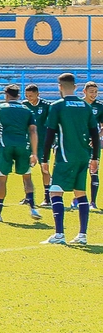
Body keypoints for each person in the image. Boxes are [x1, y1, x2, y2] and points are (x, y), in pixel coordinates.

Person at [39, 73, 99, 245]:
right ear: (75, 87)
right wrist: (95, 157)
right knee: (80, 193)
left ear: (59, 87)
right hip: (83, 155)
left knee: (55, 191)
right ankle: (82, 235)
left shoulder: (57, 106)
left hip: (66, 156)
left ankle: (59, 234)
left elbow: (50, 133)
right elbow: (95, 133)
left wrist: (45, 158)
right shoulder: (85, 106)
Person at [0, 84, 41, 222]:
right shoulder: (27, 110)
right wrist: (34, 153)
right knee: (27, 177)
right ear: (18, 95)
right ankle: (33, 207)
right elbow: (33, 131)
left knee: (2, 179)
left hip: (6, 146)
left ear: (6, 95)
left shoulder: (0, 108)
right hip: (23, 146)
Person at [24, 85, 53, 207]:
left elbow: (52, 123)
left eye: (31, 95)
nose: (28, 98)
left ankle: (48, 197)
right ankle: (28, 197)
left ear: (37, 94)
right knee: (25, 170)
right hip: (28, 143)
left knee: (44, 169)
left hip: (43, 143)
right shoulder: (24, 105)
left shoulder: (46, 106)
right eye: (26, 95)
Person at [86, 81, 102, 210]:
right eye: (91, 92)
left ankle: (93, 202)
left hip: (93, 145)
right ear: (84, 92)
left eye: (96, 92)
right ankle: (77, 199)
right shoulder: (79, 104)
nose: (94, 94)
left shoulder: (100, 107)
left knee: (94, 171)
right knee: (79, 171)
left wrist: (97, 137)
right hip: (79, 143)